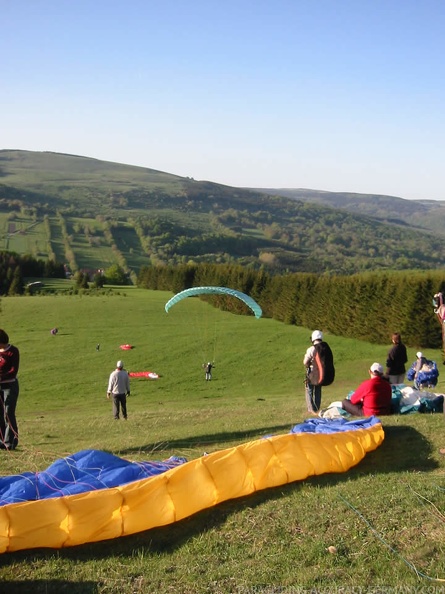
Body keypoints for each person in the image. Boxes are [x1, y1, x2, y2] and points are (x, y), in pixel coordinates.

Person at [303, 330, 334, 414]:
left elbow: (305, 362)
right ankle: (316, 408)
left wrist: (309, 364)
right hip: (321, 372)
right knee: (317, 390)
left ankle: (310, 410)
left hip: (312, 372)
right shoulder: (326, 348)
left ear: (313, 339)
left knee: (309, 390)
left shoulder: (312, 349)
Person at [0, 329, 20, 450]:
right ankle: (1, 440)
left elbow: (13, 371)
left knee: (8, 413)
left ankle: (10, 441)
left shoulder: (13, 351)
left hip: (9, 386)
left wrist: (1, 377)